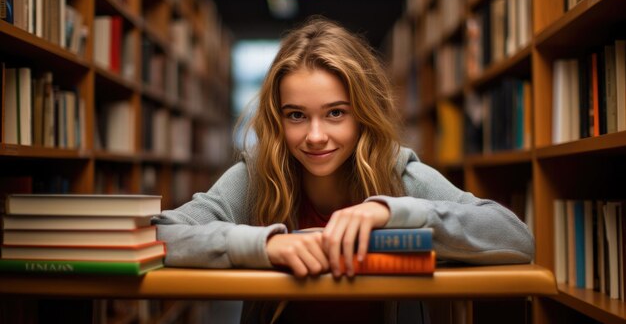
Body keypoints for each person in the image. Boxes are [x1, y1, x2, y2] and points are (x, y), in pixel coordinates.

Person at [152, 16, 534, 324]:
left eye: (335, 113)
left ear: (362, 114)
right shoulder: (258, 174)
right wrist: (264, 244)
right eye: (297, 116)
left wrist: (391, 211)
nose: (315, 136)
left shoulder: (397, 171)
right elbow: (161, 234)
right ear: (277, 119)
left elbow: (516, 238)